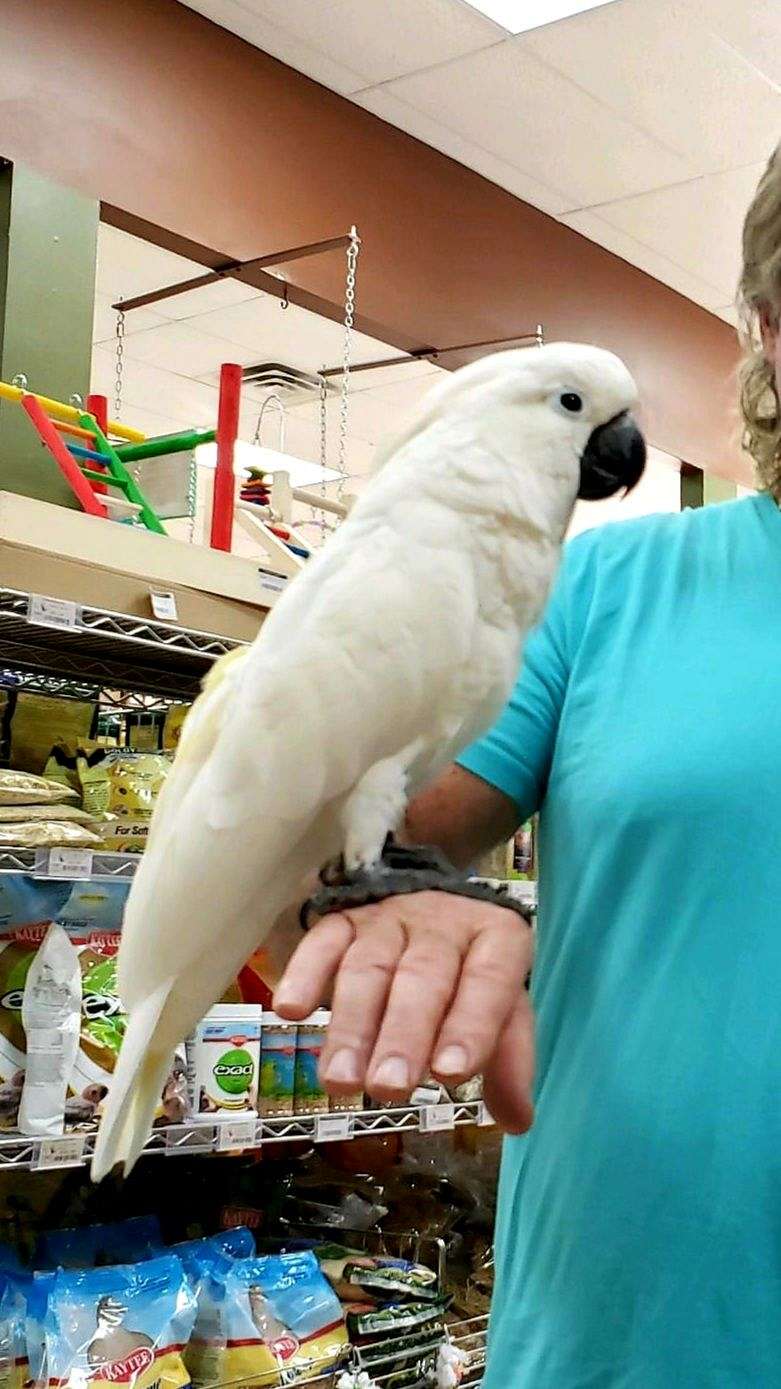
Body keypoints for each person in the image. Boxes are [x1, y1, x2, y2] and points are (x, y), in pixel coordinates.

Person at [273, 144, 781, 1387]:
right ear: (769, 325)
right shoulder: (595, 590)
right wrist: (386, 899)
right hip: (629, 1337)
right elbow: (310, 884)